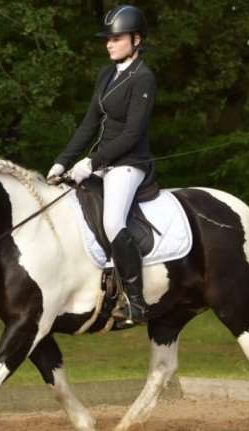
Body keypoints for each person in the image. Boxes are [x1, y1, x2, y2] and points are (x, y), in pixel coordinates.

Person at [47, 5, 157, 328]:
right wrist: (61, 162)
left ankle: (136, 303)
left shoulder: (144, 78)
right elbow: (88, 125)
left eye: (117, 38)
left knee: (111, 221)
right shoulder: (106, 75)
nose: (109, 44)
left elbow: (133, 133)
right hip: (102, 163)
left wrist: (93, 162)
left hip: (128, 165)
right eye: (107, 39)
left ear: (136, 40)